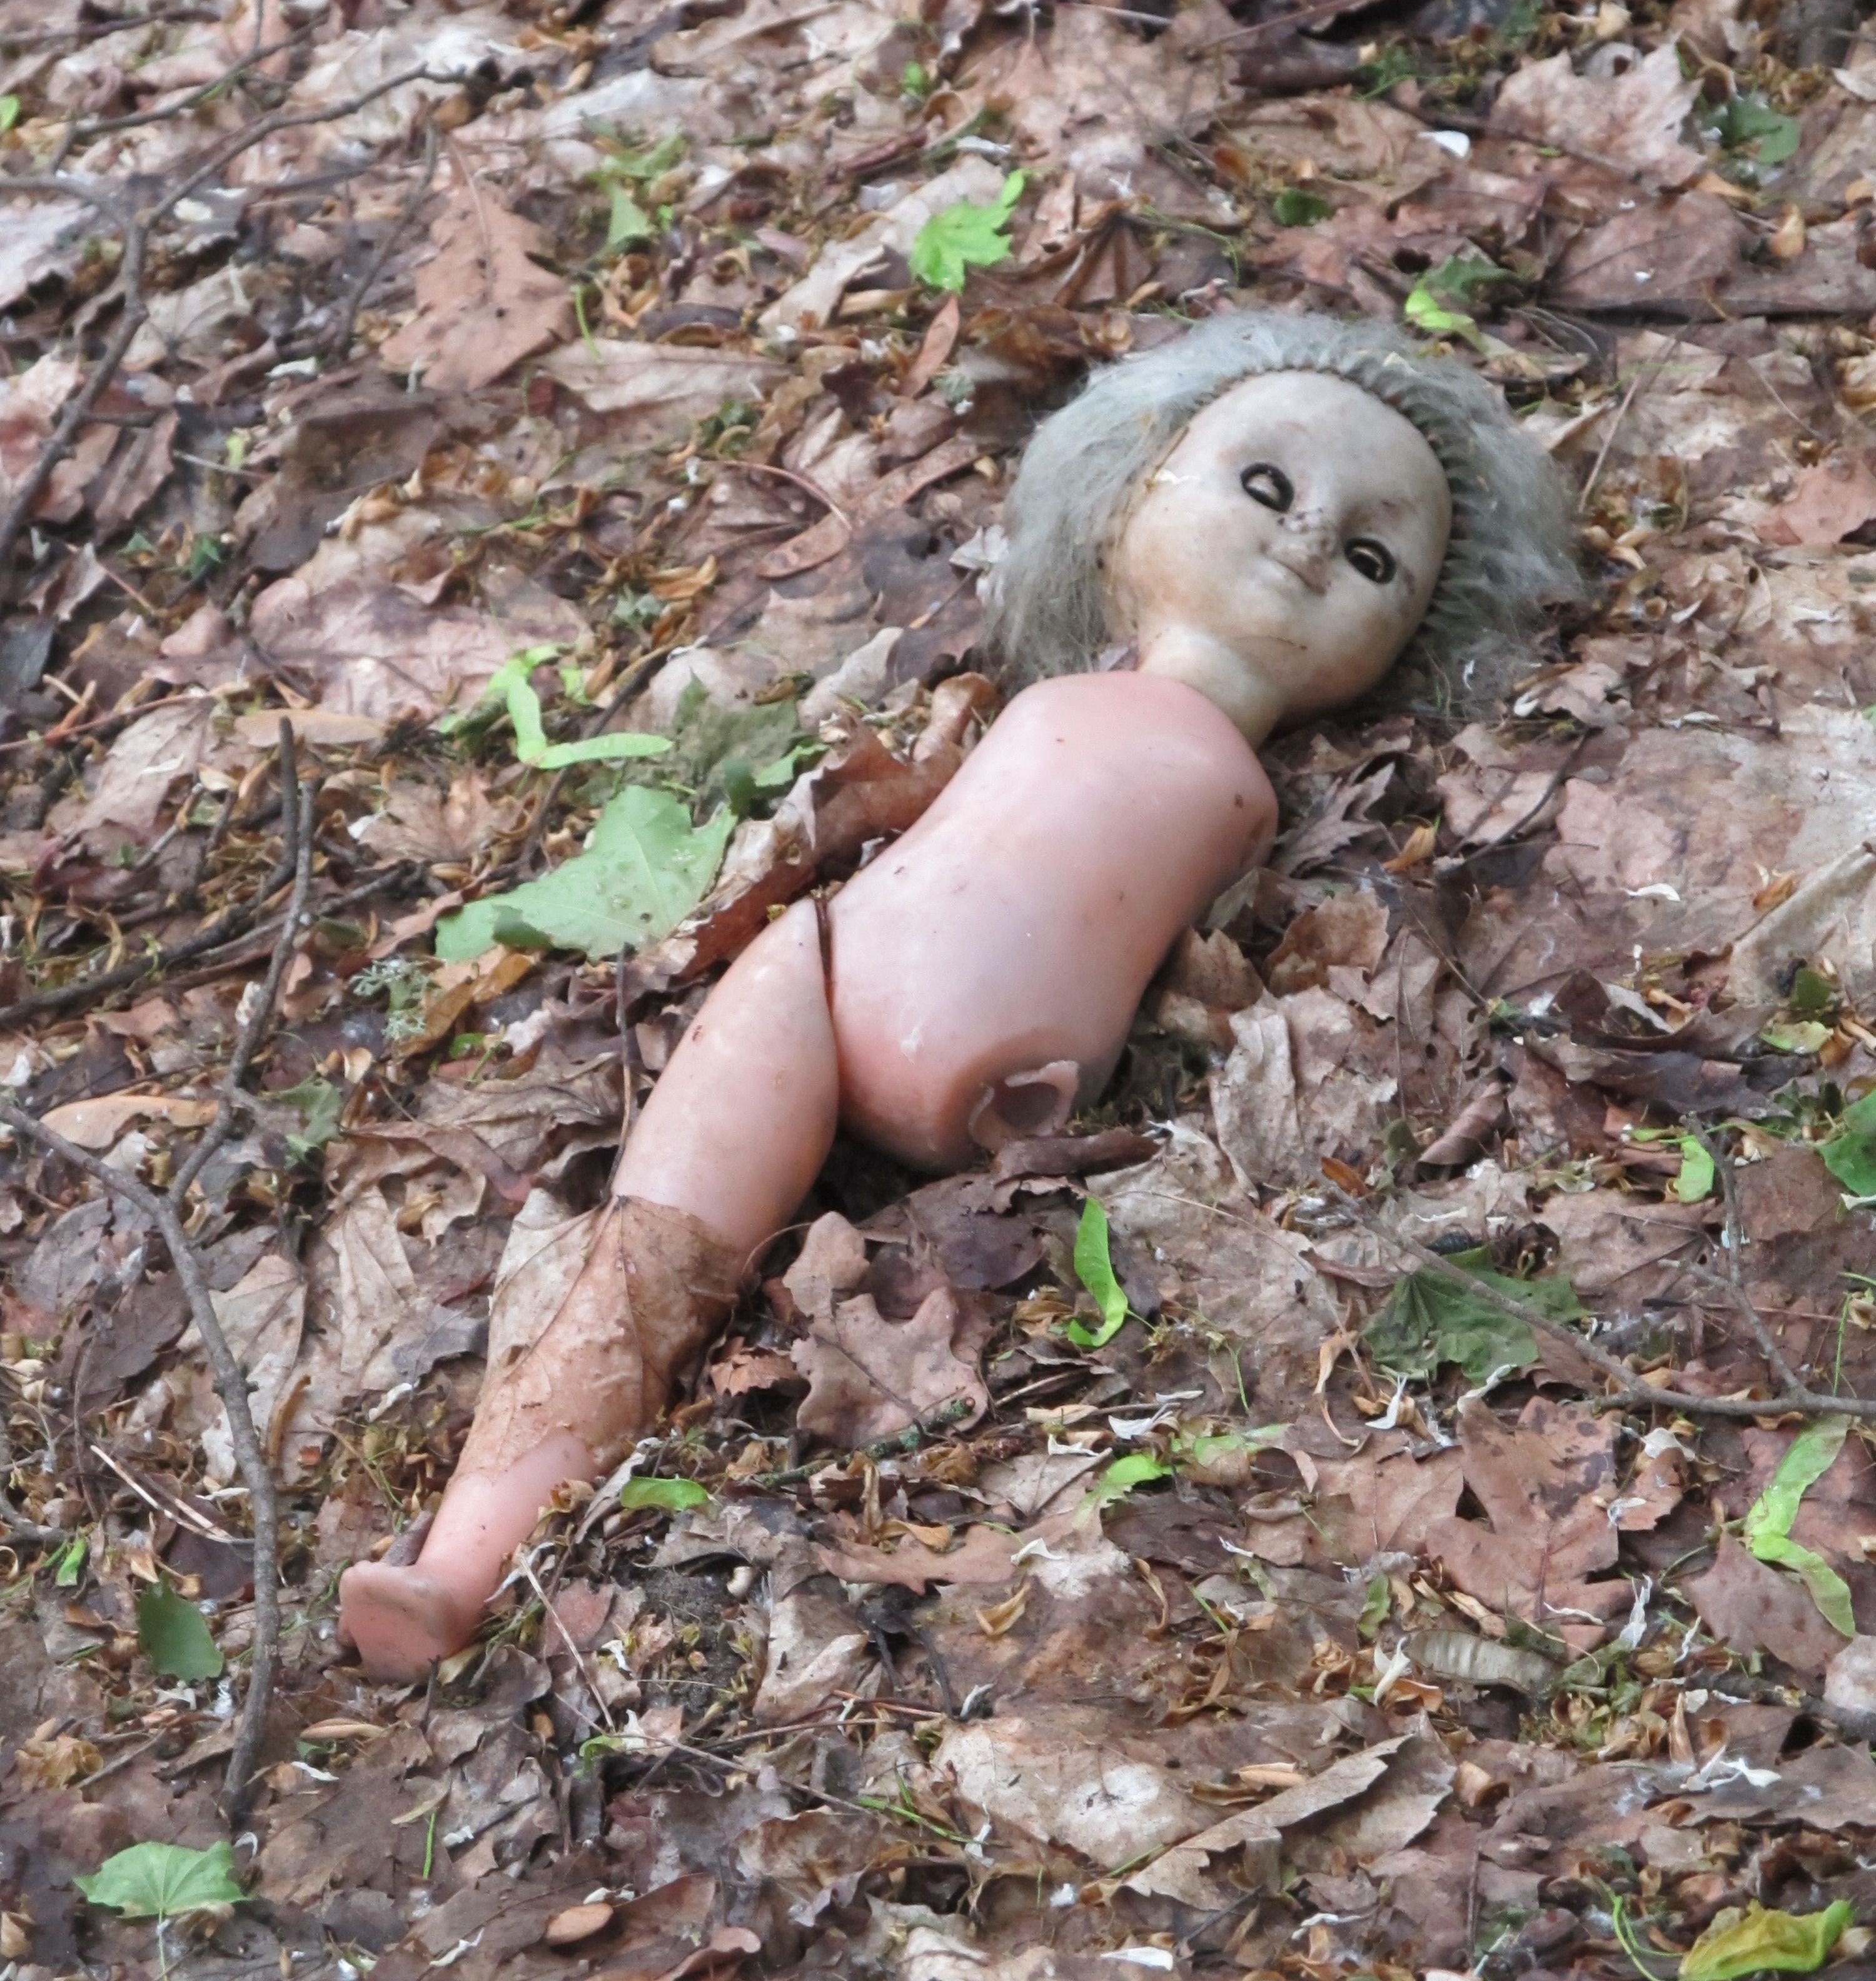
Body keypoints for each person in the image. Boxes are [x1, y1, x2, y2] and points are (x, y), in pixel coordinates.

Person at [338, 305, 1578, 1678]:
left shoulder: (1241, 792)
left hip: (981, 1060)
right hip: (838, 975)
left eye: (1370, 558)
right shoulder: (1074, 715)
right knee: (655, 1239)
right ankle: (460, 1557)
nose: (1307, 537)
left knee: (676, 1211)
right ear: (1129, 492)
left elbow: (1199, 958)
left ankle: (479, 1538)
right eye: (1268, 484)